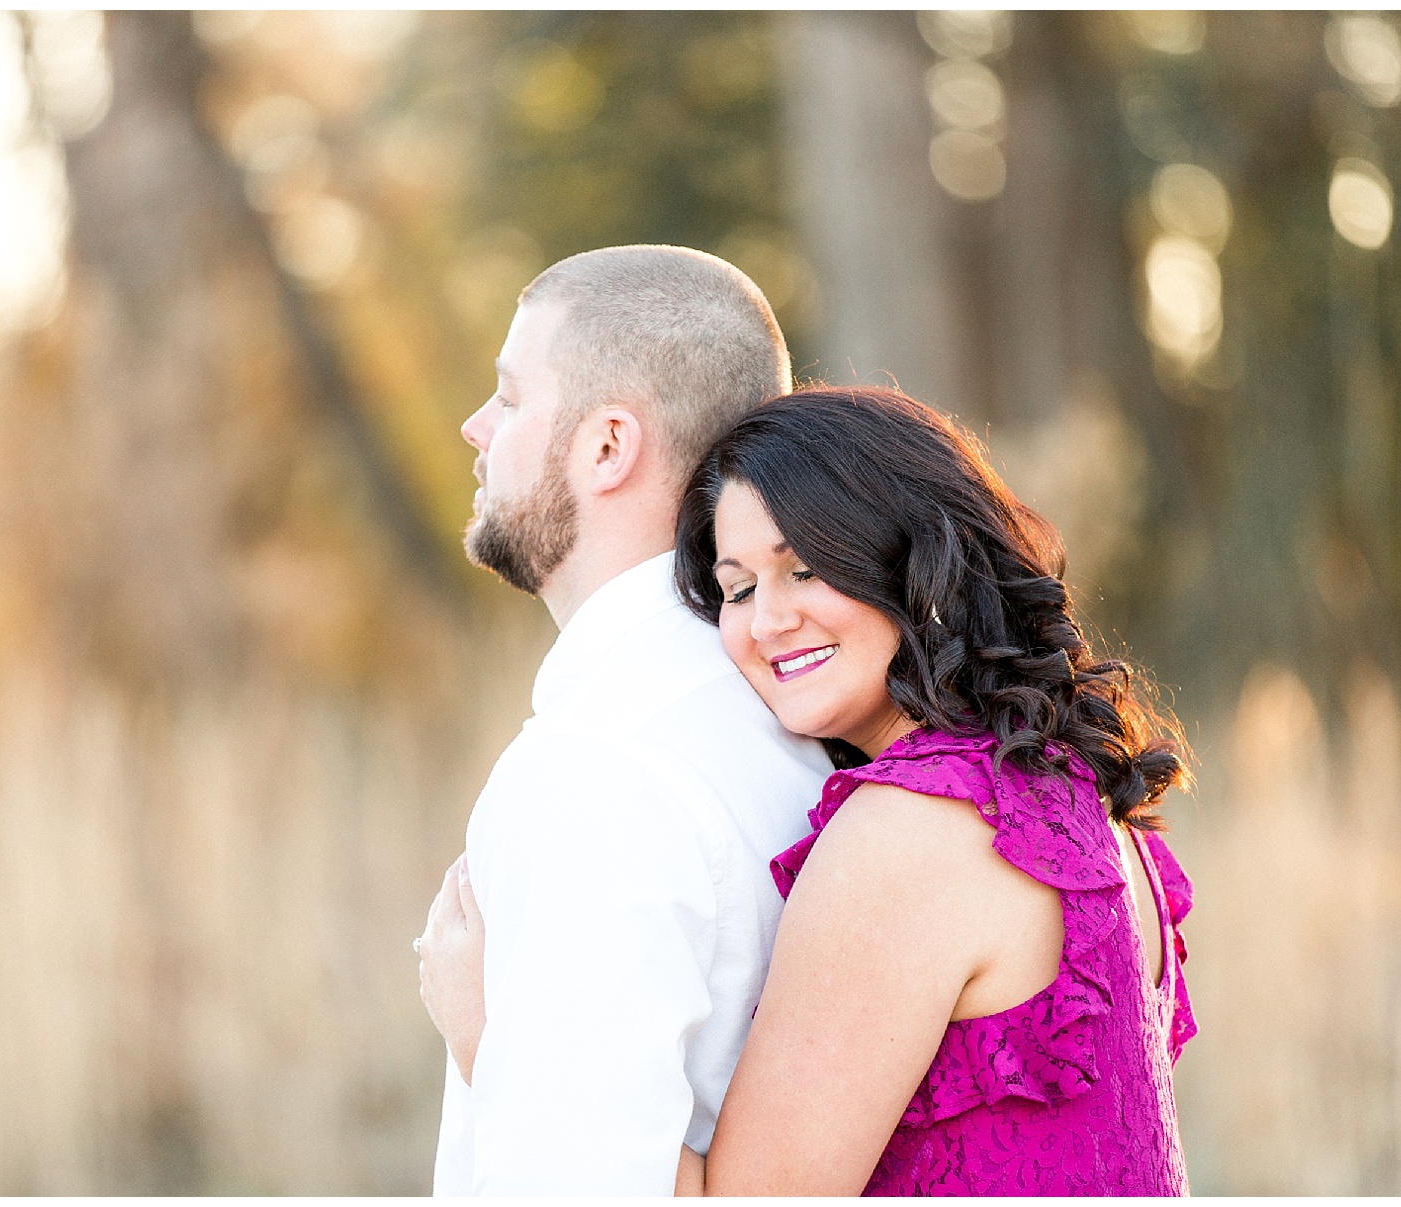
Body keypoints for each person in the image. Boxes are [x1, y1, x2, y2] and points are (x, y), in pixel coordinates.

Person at [425, 386, 1197, 1195]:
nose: (768, 622)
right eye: (738, 587)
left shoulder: (910, 835)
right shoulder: (1069, 784)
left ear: (915, 563)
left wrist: (497, 1040)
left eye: (805, 568)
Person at [417, 246, 833, 1195]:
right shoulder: (790, 709)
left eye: (512, 398)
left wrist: (493, 1045)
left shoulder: (600, 765)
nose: (476, 427)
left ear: (608, 445)